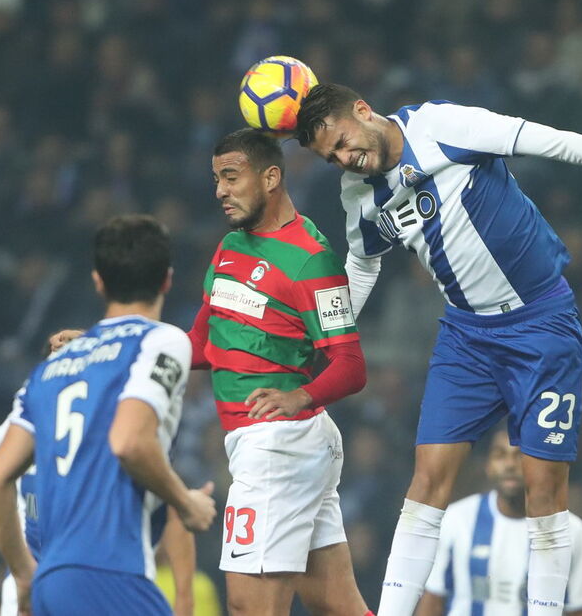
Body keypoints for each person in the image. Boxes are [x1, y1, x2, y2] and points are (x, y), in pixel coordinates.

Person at [295, 83, 582, 615]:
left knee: (544, 490)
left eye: (345, 142)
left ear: (364, 112)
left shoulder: (443, 128)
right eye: (333, 158)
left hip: (541, 326)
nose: (347, 158)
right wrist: (332, 335)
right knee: (427, 479)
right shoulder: (359, 192)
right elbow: (364, 260)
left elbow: (539, 138)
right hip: (467, 337)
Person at [49, 130, 373, 616]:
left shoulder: (311, 258)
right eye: (216, 179)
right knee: (336, 605)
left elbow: (351, 365)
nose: (219, 190)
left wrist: (298, 397)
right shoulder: (229, 249)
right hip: (281, 447)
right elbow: (198, 345)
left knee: (247, 607)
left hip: (277, 444)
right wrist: (102, 342)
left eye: (230, 177)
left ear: (270, 177)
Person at [0, 214, 217, 616]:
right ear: (167, 281)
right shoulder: (163, 340)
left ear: (99, 282)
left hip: (50, 581)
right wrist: (187, 502)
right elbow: (129, 442)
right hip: (111, 574)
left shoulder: (53, 366)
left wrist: (22, 574)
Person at [0, 410, 201, 616]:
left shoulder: (121, 422)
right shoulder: (26, 417)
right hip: (37, 586)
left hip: (113, 583)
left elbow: (170, 504)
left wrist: (184, 599)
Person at [415, 428, 582, 615]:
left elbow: (579, 610)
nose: (510, 465)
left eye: (520, 456)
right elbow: (432, 602)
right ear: (488, 465)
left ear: (540, 465)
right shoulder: (456, 519)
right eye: (500, 455)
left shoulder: (570, 530)